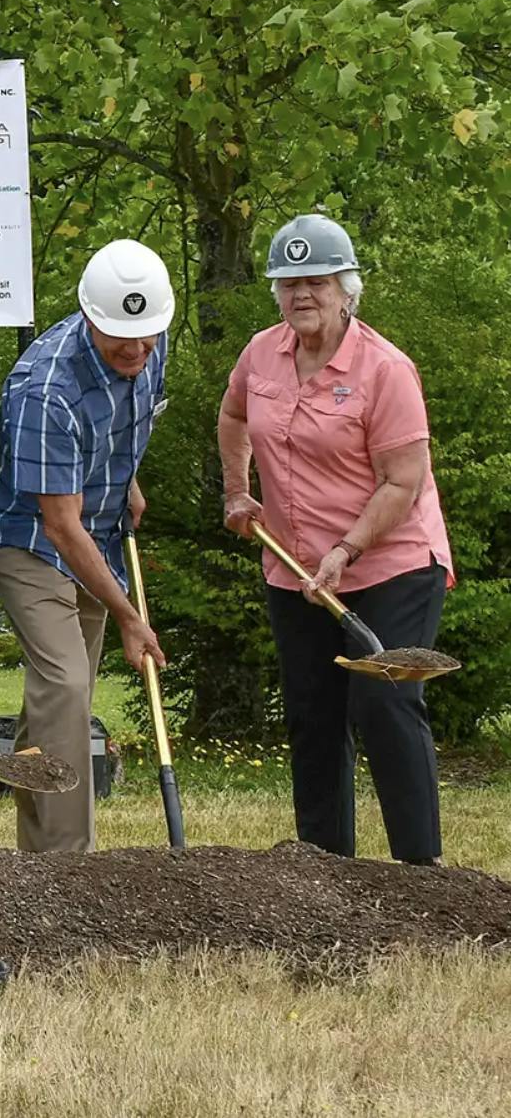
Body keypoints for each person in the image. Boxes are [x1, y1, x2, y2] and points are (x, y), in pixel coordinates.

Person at [219, 214, 451, 864]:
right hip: (295, 566)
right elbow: (234, 413)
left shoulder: (386, 370)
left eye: (316, 282)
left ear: (348, 288)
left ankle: (420, 869)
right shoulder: (261, 354)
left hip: (391, 561)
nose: (302, 295)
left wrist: (345, 550)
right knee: (312, 714)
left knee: (383, 700)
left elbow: (403, 482)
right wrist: (238, 490)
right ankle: (324, 871)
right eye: (288, 283)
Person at [0, 239, 174, 853]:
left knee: (68, 693)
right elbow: (59, 524)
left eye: (147, 337)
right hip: (27, 537)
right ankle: (66, 868)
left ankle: (34, 836)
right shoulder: (44, 389)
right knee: (64, 683)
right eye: (122, 340)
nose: (138, 351)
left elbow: (124, 422)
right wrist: (129, 617)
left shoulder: (148, 339)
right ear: (90, 318)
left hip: (100, 529)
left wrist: (126, 477)